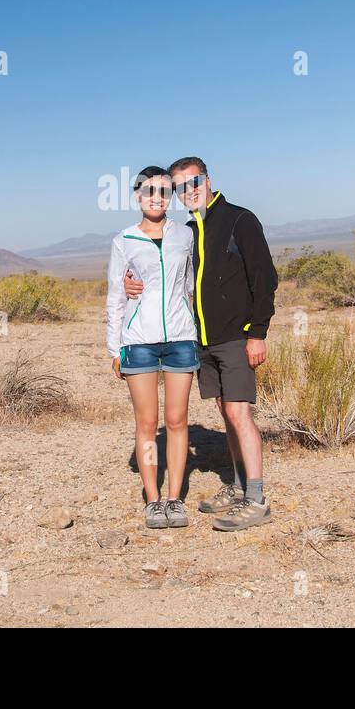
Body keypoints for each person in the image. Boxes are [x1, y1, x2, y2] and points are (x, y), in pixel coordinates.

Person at [125, 157, 278, 531]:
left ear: (208, 179)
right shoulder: (192, 231)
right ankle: (239, 486)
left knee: (240, 414)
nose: (188, 190)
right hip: (204, 341)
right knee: (227, 414)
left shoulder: (240, 220)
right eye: (179, 187)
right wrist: (133, 281)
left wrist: (257, 332)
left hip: (237, 338)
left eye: (193, 181)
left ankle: (256, 501)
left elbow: (265, 277)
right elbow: (168, 270)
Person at [105, 166, 200, 529]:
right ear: (138, 196)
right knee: (148, 422)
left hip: (179, 338)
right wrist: (114, 348)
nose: (157, 198)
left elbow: (189, 286)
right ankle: (153, 499)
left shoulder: (185, 236)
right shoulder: (124, 240)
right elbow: (116, 295)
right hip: (138, 343)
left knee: (176, 421)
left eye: (164, 192)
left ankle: (175, 498)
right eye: (149, 192)